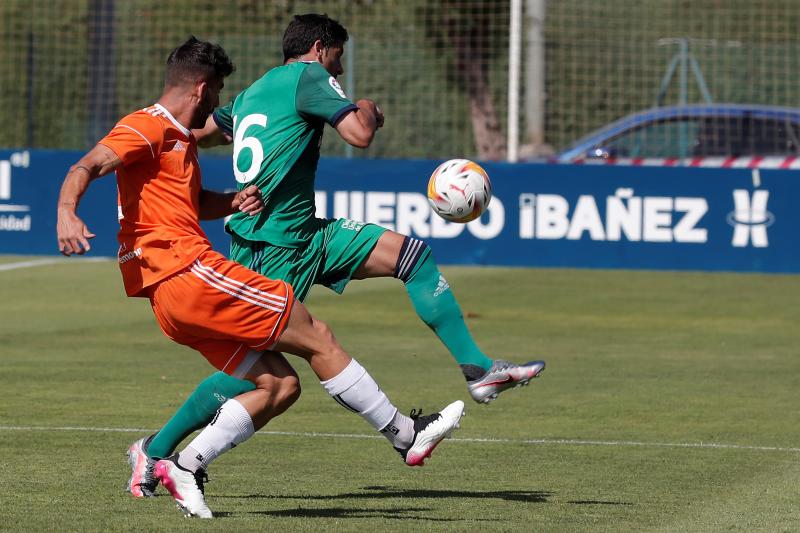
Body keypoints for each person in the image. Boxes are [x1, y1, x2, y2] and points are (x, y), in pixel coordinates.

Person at [126, 13, 543, 498]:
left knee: (411, 256)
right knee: (259, 374)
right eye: (338, 57)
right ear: (319, 48)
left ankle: (478, 370)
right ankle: (156, 451)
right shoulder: (309, 76)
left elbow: (195, 134)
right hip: (273, 247)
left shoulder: (253, 92)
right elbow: (359, 134)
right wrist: (366, 108)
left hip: (307, 233)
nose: (339, 70)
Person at [57, 36, 465, 519]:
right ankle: (405, 435)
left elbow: (189, 203)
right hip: (187, 272)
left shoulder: (178, 139)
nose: (217, 102)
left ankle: (180, 463)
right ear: (201, 88)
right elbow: (88, 164)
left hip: (170, 297)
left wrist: (231, 201)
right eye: (217, 91)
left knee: (279, 385)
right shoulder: (148, 125)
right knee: (315, 335)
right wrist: (67, 210)